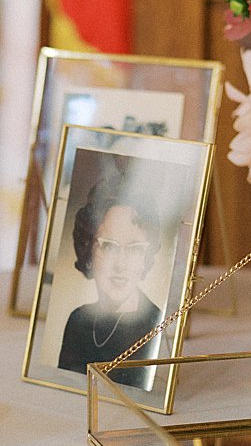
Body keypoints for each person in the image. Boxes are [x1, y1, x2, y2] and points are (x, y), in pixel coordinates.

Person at [55, 160, 180, 387]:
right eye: (109, 245)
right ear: (88, 249)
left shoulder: (156, 324)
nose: (120, 265)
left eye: (134, 249)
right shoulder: (77, 321)